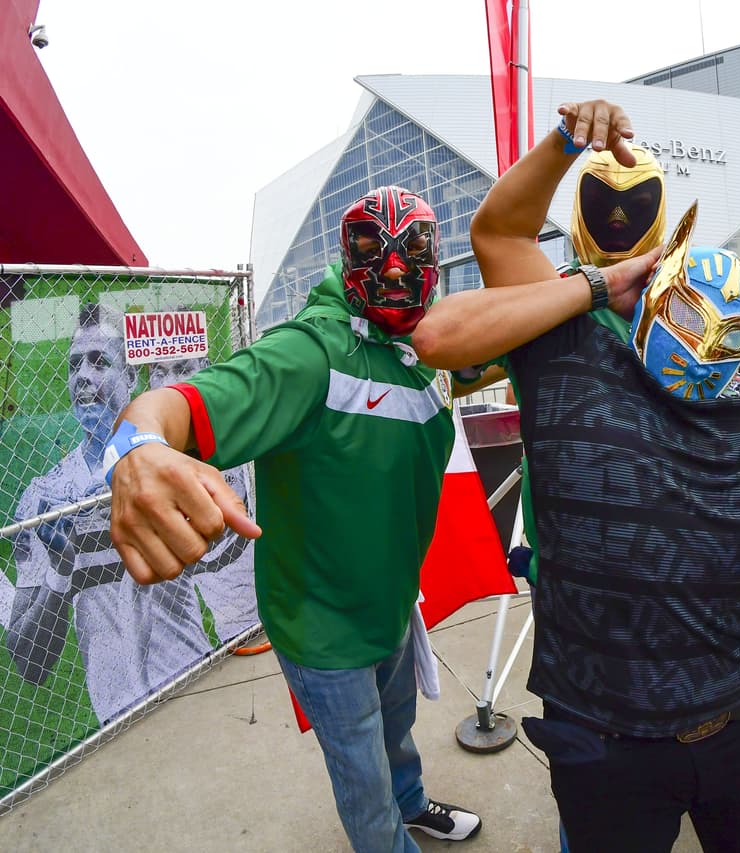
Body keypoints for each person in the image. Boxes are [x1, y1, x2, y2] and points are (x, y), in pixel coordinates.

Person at [101, 186, 619, 851]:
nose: (396, 267)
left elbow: (499, 338)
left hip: (390, 605)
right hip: (322, 627)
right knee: (364, 785)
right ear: (347, 257)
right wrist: (136, 447)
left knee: (396, 733)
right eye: (374, 248)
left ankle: (412, 803)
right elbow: (182, 404)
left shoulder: (423, 351)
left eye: (414, 249)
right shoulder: (311, 354)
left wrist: (593, 289)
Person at [435, 98, 740, 853]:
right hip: (603, 725)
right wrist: (567, 142)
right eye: (607, 203)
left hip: (735, 706)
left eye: (638, 204)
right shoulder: (553, 322)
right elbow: (496, 236)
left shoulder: (723, 323)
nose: (622, 215)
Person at [6, 304, 215, 725]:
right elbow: (28, 663)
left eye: (99, 362)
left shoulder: (164, 457)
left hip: (196, 681)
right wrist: (61, 574)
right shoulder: (44, 496)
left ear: (132, 378)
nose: (83, 376)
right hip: (118, 721)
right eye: (74, 365)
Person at [149, 355, 257, 643]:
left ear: (205, 368)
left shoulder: (235, 430)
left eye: (182, 369)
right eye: (158, 371)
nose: (170, 383)